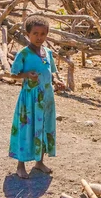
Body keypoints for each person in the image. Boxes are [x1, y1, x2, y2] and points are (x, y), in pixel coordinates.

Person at [9, 16, 65, 179]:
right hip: (30, 100)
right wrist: (27, 75)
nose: (39, 37)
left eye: (42, 34)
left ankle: (39, 162)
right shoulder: (24, 54)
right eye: (35, 33)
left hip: (47, 98)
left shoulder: (47, 53)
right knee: (27, 129)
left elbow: (50, 73)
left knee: (44, 127)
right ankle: (21, 165)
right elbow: (13, 74)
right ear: (28, 34)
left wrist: (57, 82)